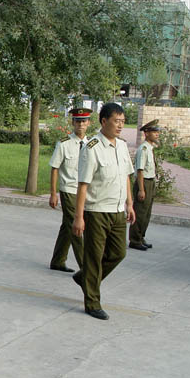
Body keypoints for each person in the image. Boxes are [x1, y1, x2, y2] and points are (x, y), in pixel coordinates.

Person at [72, 103, 135, 321]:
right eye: (116, 121)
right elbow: (83, 185)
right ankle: (92, 303)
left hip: (117, 210)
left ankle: (85, 278)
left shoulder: (122, 146)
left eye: (123, 122)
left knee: (118, 253)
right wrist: (79, 217)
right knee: (93, 257)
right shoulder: (92, 148)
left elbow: (126, 177)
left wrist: (130, 204)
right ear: (104, 121)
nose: (120, 126)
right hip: (96, 211)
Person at [48, 108, 91, 273]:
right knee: (76, 228)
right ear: (73, 122)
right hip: (69, 190)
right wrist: (53, 193)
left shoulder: (91, 144)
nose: (81, 124)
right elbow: (54, 168)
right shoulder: (64, 143)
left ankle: (58, 261)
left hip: (84, 191)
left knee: (67, 226)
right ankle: (86, 268)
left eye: (84, 121)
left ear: (88, 123)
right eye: (78, 121)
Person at [129, 120, 160, 251]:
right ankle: (134, 240)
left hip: (150, 182)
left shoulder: (150, 148)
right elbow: (140, 170)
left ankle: (141, 237)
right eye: (154, 132)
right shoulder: (143, 149)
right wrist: (141, 189)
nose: (157, 134)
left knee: (146, 213)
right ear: (146, 133)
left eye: (157, 132)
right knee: (140, 212)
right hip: (144, 182)